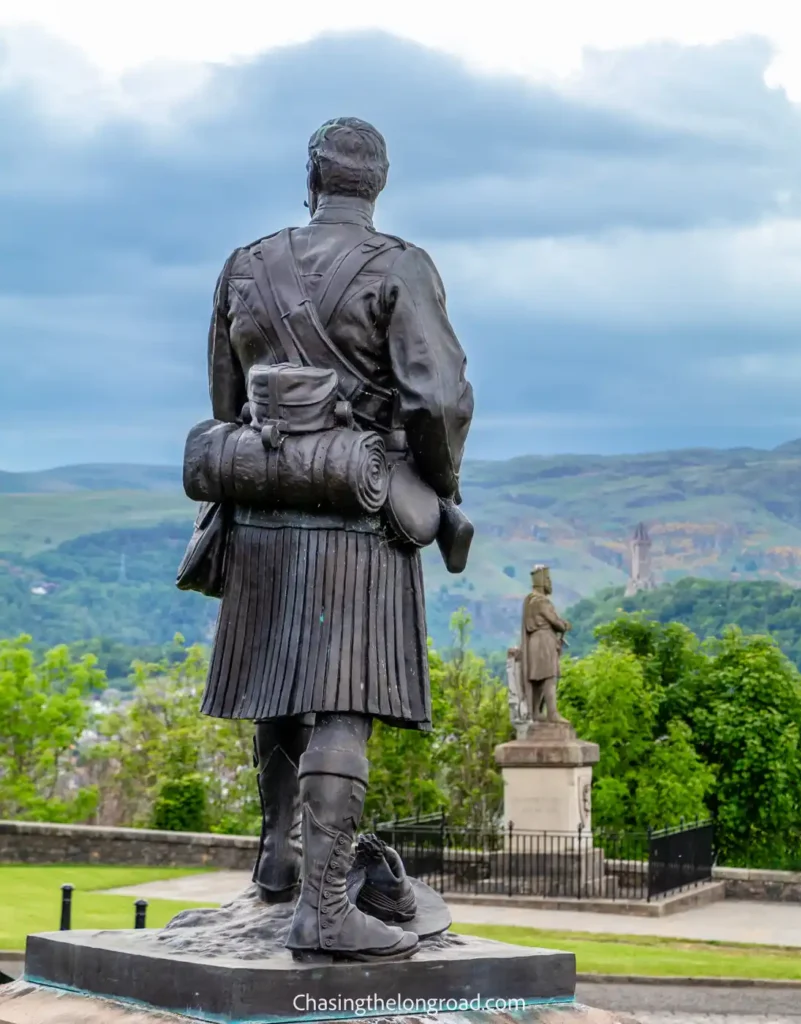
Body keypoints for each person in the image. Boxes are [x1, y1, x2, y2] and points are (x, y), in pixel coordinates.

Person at [201, 117, 473, 961]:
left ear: (310, 178)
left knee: (280, 686)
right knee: (342, 702)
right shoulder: (400, 268)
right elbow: (437, 402)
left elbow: (225, 395)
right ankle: (323, 908)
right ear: (377, 186)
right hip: (359, 511)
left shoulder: (246, 263)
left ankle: (279, 862)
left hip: (259, 510)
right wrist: (440, 489)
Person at [521, 565, 570, 723]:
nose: (550, 583)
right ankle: (552, 713)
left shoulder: (530, 600)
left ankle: (536, 711)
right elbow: (556, 622)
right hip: (543, 641)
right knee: (549, 676)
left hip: (537, 642)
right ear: (542, 581)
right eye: (547, 579)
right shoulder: (541, 601)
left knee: (539, 679)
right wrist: (565, 625)